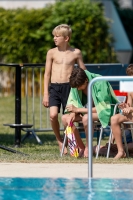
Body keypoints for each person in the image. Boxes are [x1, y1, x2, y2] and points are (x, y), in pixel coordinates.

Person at [42, 24, 86, 154]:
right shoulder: (51, 52)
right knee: (53, 115)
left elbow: (83, 71)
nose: (54, 38)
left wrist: (89, 84)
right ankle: (59, 140)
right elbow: (47, 74)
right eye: (54, 36)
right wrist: (46, 93)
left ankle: (71, 143)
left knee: (67, 118)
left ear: (66, 38)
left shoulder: (75, 53)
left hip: (70, 88)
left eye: (57, 36)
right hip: (54, 87)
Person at [62, 67, 118, 157]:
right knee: (65, 118)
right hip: (86, 112)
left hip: (107, 112)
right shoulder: (76, 83)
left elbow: (102, 107)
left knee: (86, 118)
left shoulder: (100, 82)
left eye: (79, 87)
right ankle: (81, 147)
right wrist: (72, 114)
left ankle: (88, 148)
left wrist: (78, 110)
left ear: (86, 80)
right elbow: (73, 102)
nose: (78, 89)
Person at [111, 63, 133, 159]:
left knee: (130, 147)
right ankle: (121, 151)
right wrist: (125, 106)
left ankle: (116, 148)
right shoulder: (130, 88)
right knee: (114, 118)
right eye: (130, 77)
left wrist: (130, 109)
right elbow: (130, 105)